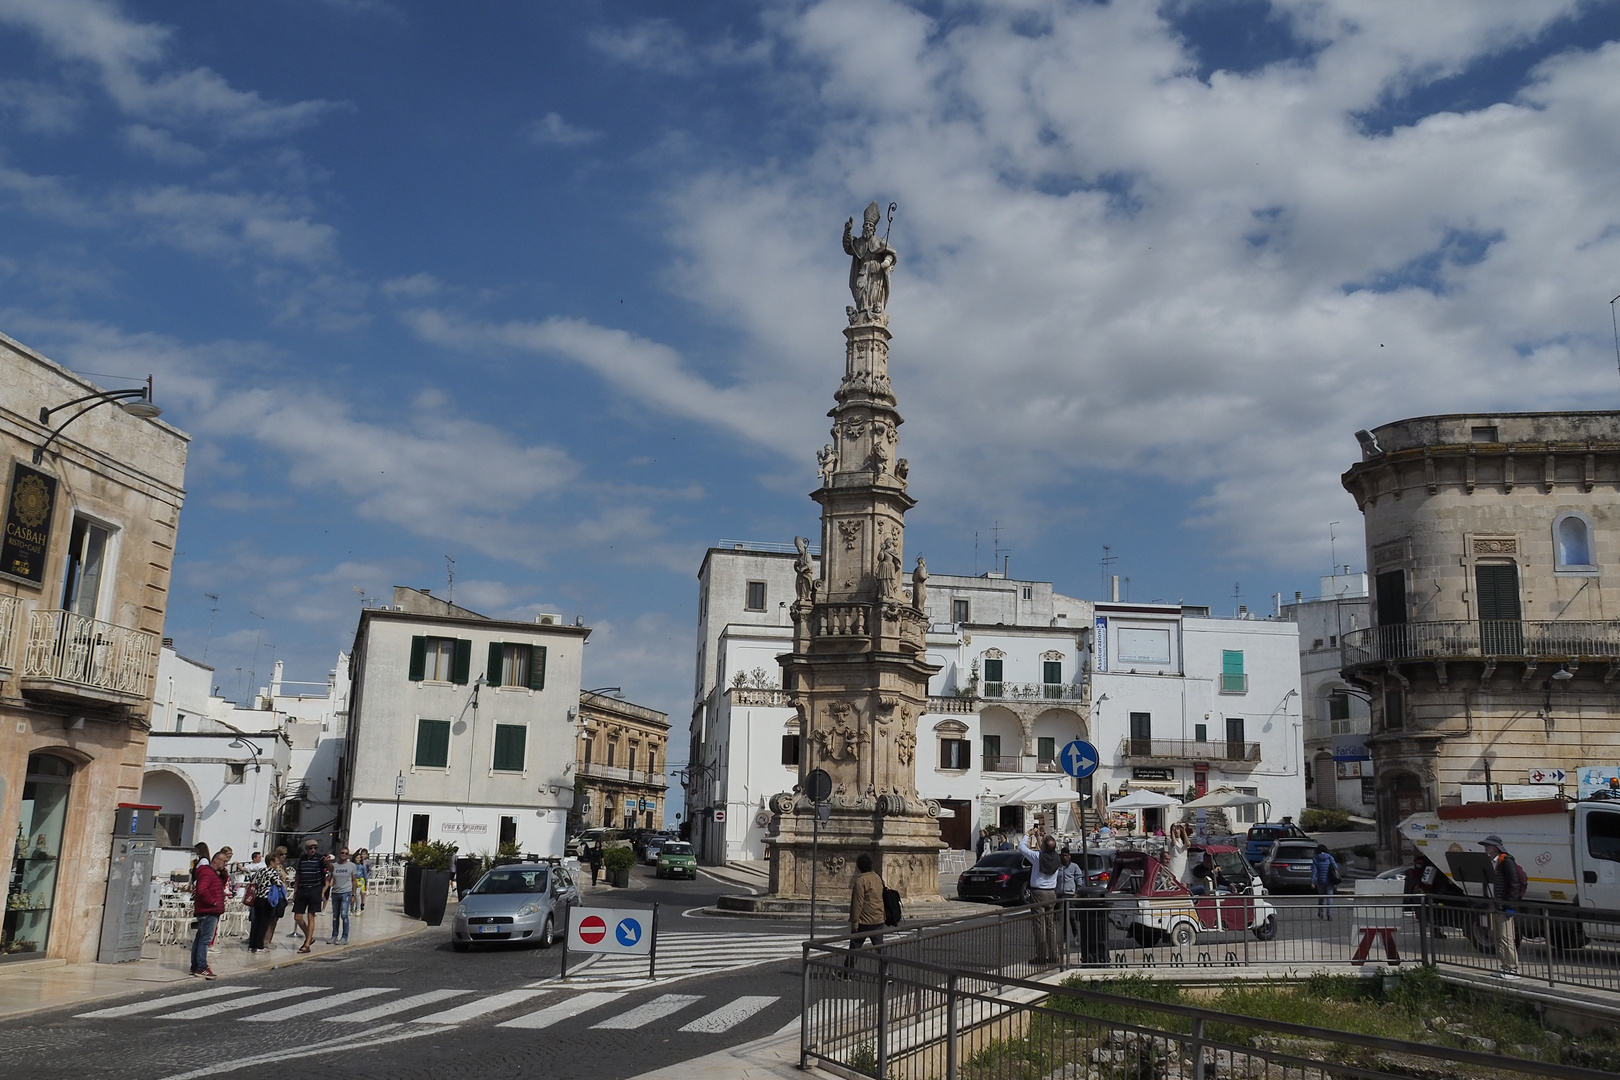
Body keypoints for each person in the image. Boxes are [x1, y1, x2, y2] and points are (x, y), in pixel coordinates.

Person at [1017, 829, 1061, 967]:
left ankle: (1041, 956)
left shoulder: (1038, 857)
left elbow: (1021, 848)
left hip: (1038, 893)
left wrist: (1028, 835)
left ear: (1043, 847)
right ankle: (1054, 955)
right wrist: (1038, 838)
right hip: (1051, 893)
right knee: (1050, 926)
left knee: (1039, 926)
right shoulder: (1056, 857)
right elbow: (1045, 849)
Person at [1482, 834, 1521, 979]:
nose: (1486, 848)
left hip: (1503, 904)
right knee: (1497, 936)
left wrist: (1510, 905)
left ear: (1496, 847)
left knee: (1507, 937)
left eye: (1488, 845)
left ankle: (1512, 968)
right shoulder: (1490, 862)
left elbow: (1514, 884)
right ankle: (1504, 966)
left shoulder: (1506, 861)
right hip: (1493, 903)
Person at [845, 853, 886, 970]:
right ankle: (887, 973)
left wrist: (854, 922)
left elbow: (857, 903)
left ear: (859, 867)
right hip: (878, 918)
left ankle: (847, 972)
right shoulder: (878, 878)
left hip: (864, 921)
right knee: (880, 948)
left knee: (854, 947)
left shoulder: (861, 881)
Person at [191, 851, 228, 978]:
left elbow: (220, 884)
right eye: (223, 861)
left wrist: (223, 873)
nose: (225, 864)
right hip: (208, 911)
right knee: (204, 940)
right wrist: (213, 902)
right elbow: (202, 889)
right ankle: (201, 967)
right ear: (216, 860)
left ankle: (195, 966)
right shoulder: (207, 873)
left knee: (200, 939)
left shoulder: (212, 873)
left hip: (208, 910)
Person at [291, 839, 329, 953]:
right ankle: (309, 936)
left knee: (311, 916)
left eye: (315, 848)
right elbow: (298, 875)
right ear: (306, 849)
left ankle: (307, 944)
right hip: (302, 889)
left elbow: (329, 871)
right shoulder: (302, 859)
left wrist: (329, 863)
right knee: (297, 917)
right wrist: (295, 891)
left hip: (315, 889)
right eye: (310, 848)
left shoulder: (320, 858)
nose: (313, 850)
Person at [246, 851, 286, 953]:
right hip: (267, 899)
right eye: (276, 861)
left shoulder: (261, 871)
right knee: (264, 923)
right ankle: (259, 946)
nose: (278, 863)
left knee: (256, 922)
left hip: (258, 898)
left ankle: (252, 944)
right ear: (271, 862)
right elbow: (278, 883)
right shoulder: (273, 872)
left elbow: (254, 881)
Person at [327, 845, 358, 945]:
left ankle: (345, 937)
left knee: (344, 915)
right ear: (339, 854)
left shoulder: (352, 866)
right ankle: (334, 935)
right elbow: (329, 879)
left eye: (346, 853)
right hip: (336, 892)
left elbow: (354, 881)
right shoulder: (334, 866)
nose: (344, 855)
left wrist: (353, 895)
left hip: (346, 893)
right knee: (335, 916)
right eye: (342, 853)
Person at [1310, 845, 1340, 920]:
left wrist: (1312, 882)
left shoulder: (1316, 858)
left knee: (1321, 898)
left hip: (1320, 881)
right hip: (1330, 880)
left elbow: (1314, 871)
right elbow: (1336, 867)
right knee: (1330, 897)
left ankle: (1320, 912)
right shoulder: (1329, 857)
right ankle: (1329, 914)